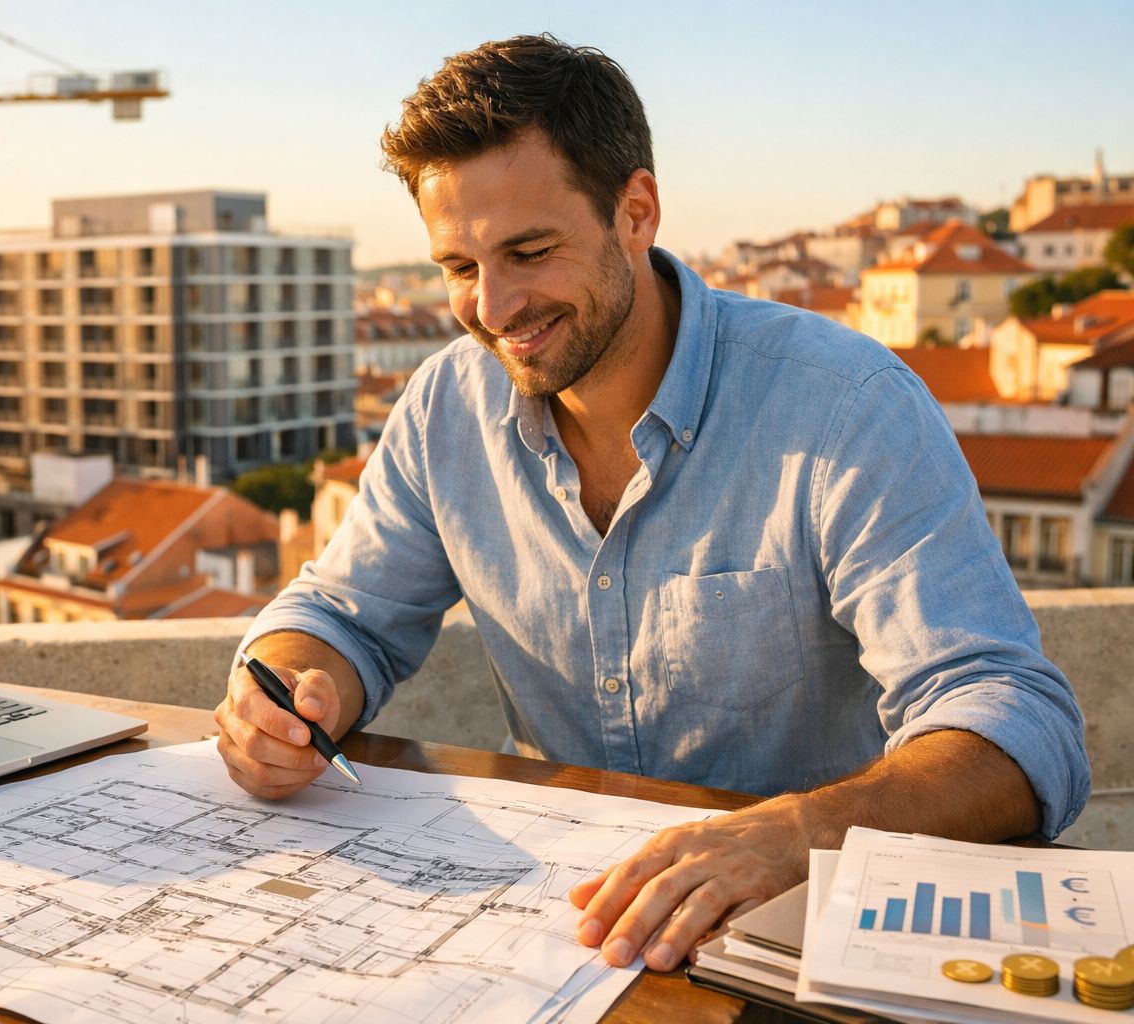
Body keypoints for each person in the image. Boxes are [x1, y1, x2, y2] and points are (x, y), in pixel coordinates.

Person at [213, 34, 1088, 974]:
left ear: (637, 212)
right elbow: (342, 616)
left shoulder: (844, 407)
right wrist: (287, 689)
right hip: (563, 938)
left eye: (529, 251)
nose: (493, 307)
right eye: (459, 268)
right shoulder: (442, 407)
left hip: (792, 943)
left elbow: (1014, 719)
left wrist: (791, 836)